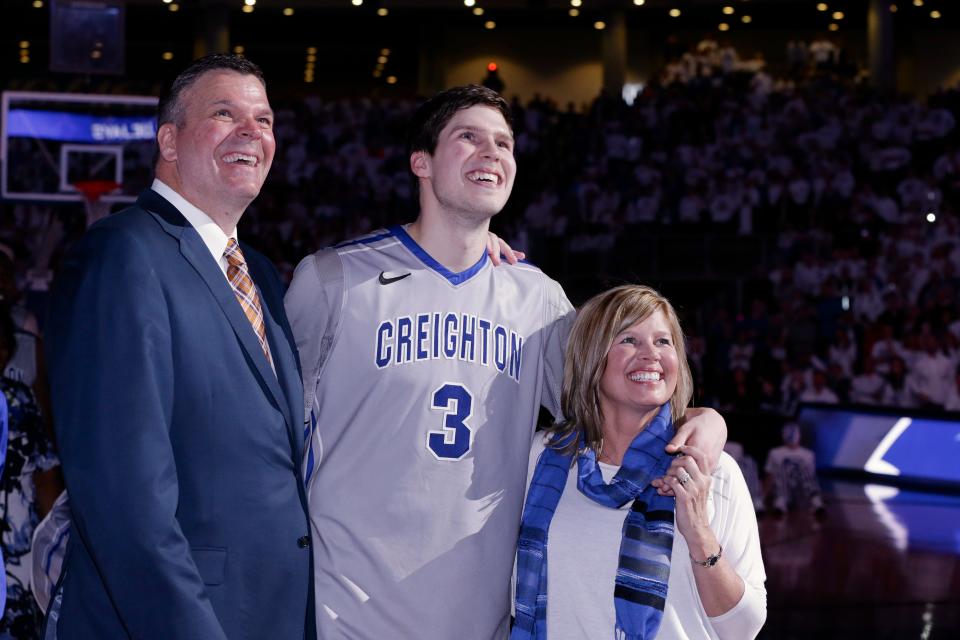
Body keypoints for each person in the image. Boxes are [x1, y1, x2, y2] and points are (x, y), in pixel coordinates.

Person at [285, 85, 728, 639]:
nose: (491, 153)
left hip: (481, 620)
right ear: (420, 161)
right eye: (467, 138)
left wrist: (706, 421)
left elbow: (624, 395)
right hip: (344, 612)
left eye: (503, 143)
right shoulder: (334, 280)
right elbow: (273, 440)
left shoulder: (536, 299)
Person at [43, 55, 313, 639]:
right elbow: (125, 502)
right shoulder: (122, 256)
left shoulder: (261, 273)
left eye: (264, 120)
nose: (252, 132)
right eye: (225, 114)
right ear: (169, 139)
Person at [513, 285, 766, 640]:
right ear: (591, 357)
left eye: (664, 342)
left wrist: (699, 534)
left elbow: (744, 627)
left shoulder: (712, 471)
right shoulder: (540, 459)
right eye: (629, 339)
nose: (651, 355)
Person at [0, 305, 58, 639]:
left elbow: (46, 476)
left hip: (19, 549)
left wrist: (49, 546)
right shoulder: (18, 399)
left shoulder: (19, 399)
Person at [763, 421, 825, 517]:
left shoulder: (808, 454)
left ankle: (817, 503)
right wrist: (763, 498)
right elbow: (770, 476)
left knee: (798, 465)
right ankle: (781, 503)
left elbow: (810, 478)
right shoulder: (775, 452)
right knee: (785, 465)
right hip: (782, 489)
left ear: (799, 435)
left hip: (801, 493)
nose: (791, 436)